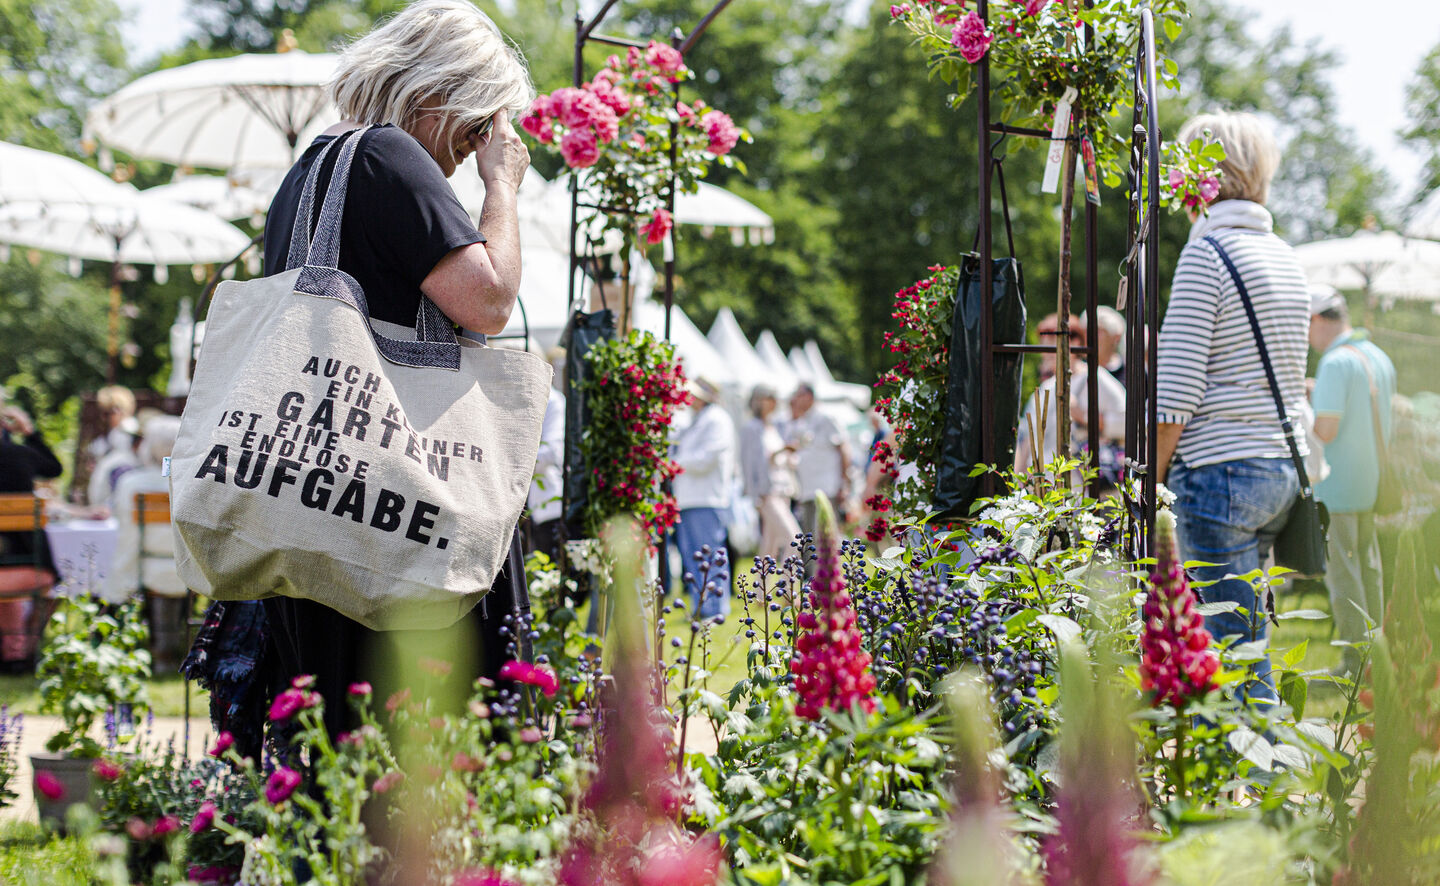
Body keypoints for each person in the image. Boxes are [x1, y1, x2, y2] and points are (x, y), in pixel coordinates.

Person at [225, 0, 536, 739]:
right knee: (424, 734)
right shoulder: (389, 157)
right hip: (397, 507)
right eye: (472, 129)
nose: (469, 150)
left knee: (333, 739)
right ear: (437, 94)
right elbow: (488, 300)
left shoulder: (310, 171)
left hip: (318, 502)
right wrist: (503, 187)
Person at [1154, 111, 1311, 704]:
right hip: (1278, 469)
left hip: (1220, 473)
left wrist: (1153, 483)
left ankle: (1266, 787)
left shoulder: (1207, 255)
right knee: (1247, 638)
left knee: (1230, 653)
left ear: (1201, 174)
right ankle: (1245, 784)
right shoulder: (1286, 257)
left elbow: (1176, 395)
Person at [1307, 285, 1396, 676]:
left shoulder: (1335, 363)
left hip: (1336, 485)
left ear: (1316, 320)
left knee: (1344, 578)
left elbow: (1325, 430)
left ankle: (1354, 665)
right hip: (1371, 483)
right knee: (1369, 571)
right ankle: (1379, 654)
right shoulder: (1378, 356)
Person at [106, 416, 189, 667]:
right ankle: (169, 648)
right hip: (186, 566)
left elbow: (125, 533)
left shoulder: (131, 483)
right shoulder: (190, 482)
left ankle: (158, 647)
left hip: (144, 566)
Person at [0, 394, 61, 666]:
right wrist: (30, 432)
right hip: (28, 570)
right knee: (50, 579)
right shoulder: (18, 454)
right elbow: (54, 468)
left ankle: (14, 650)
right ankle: (24, 650)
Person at [672, 378, 736, 619]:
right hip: (691, 498)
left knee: (708, 554)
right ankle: (702, 605)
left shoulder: (717, 419)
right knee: (693, 555)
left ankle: (715, 607)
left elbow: (707, 457)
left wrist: (676, 463)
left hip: (707, 498)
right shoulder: (698, 420)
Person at [739, 385, 800, 564]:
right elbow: (748, 463)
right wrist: (754, 495)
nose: (774, 402)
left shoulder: (775, 427)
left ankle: (760, 591)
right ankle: (787, 588)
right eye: (769, 398)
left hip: (784, 490)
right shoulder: (751, 428)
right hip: (767, 493)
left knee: (769, 547)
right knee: (794, 540)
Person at [785, 383, 853, 537]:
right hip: (807, 489)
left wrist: (844, 481)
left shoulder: (825, 418)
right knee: (810, 537)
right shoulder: (800, 422)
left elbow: (843, 447)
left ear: (809, 397)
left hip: (827, 487)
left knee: (827, 535)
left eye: (798, 395)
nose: (795, 400)